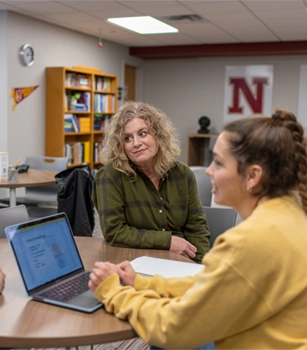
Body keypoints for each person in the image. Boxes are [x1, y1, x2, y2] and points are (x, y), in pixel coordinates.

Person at [89, 109, 307, 349]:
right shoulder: (292, 216)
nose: (209, 171)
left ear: (253, 176)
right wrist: (142, 283)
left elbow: (173, 329)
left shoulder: (248, 242)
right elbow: (211, 284)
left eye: (219, 163)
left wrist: (112, 292)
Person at [92, 101, 210, 263]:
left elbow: (197, 228)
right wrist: (168, 241)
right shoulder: (110, 176)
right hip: (133, 262)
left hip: (181, 262)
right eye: (127, 138)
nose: (136, 143)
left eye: (142, 133)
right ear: (121, 146)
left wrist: (201, 266)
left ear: (158, 135)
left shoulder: (183, 174)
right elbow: (115, 232)